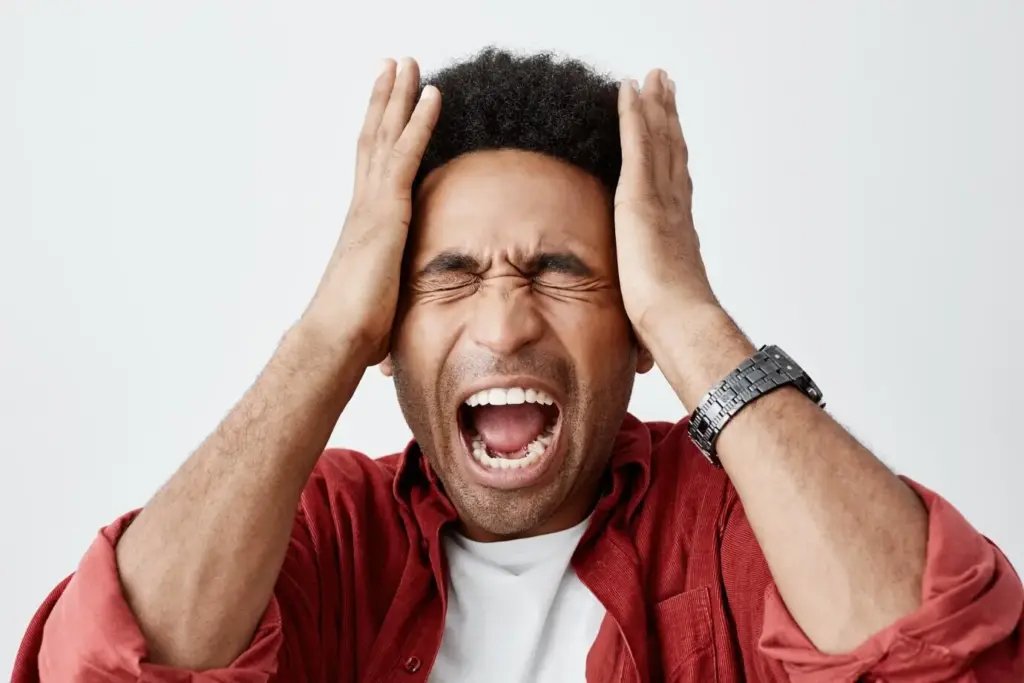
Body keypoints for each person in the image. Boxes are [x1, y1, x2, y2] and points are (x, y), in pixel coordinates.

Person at [12, 48, 1022, 683]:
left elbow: (954, 658)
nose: (503, 323)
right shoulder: (328, 533)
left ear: (632, 323)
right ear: (386, 328)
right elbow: (100, 667)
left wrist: (686, 313)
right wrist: (324, 335)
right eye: (449, 276)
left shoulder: (733, 521)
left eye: (560, 271)